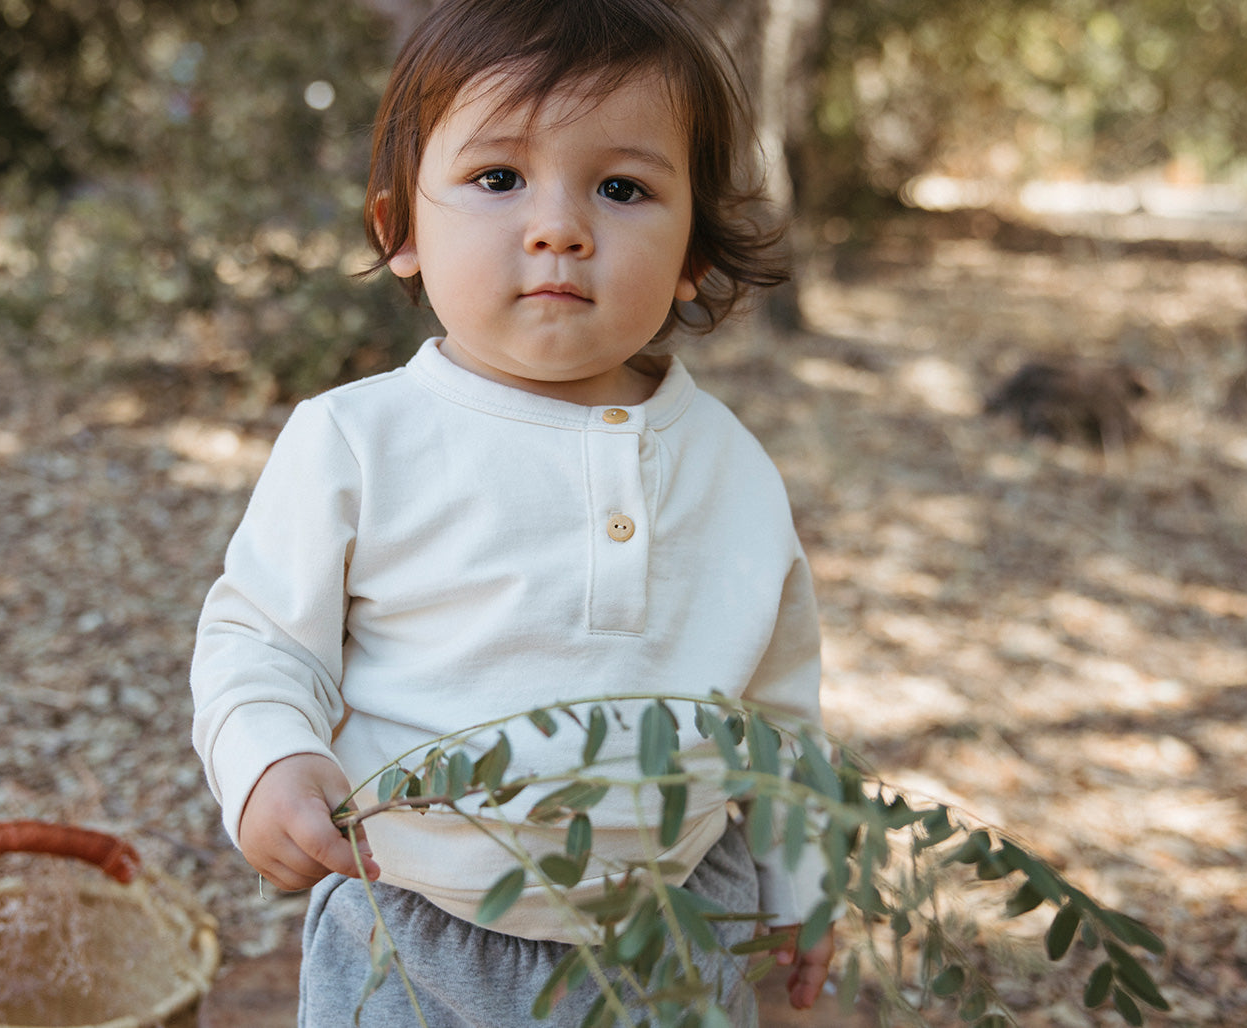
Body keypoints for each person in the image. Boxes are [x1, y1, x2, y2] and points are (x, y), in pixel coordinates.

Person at [190, 0, 836, 1023]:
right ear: (400, 229)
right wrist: (267, 758)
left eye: (621, 188)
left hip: (673, 936)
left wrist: (802, 872)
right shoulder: (358, 439)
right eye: (499, 178)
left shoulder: (733, 470)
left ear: (694, 256)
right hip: (412, 922)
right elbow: (260, 639)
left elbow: (778, 712)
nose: (559, 227)